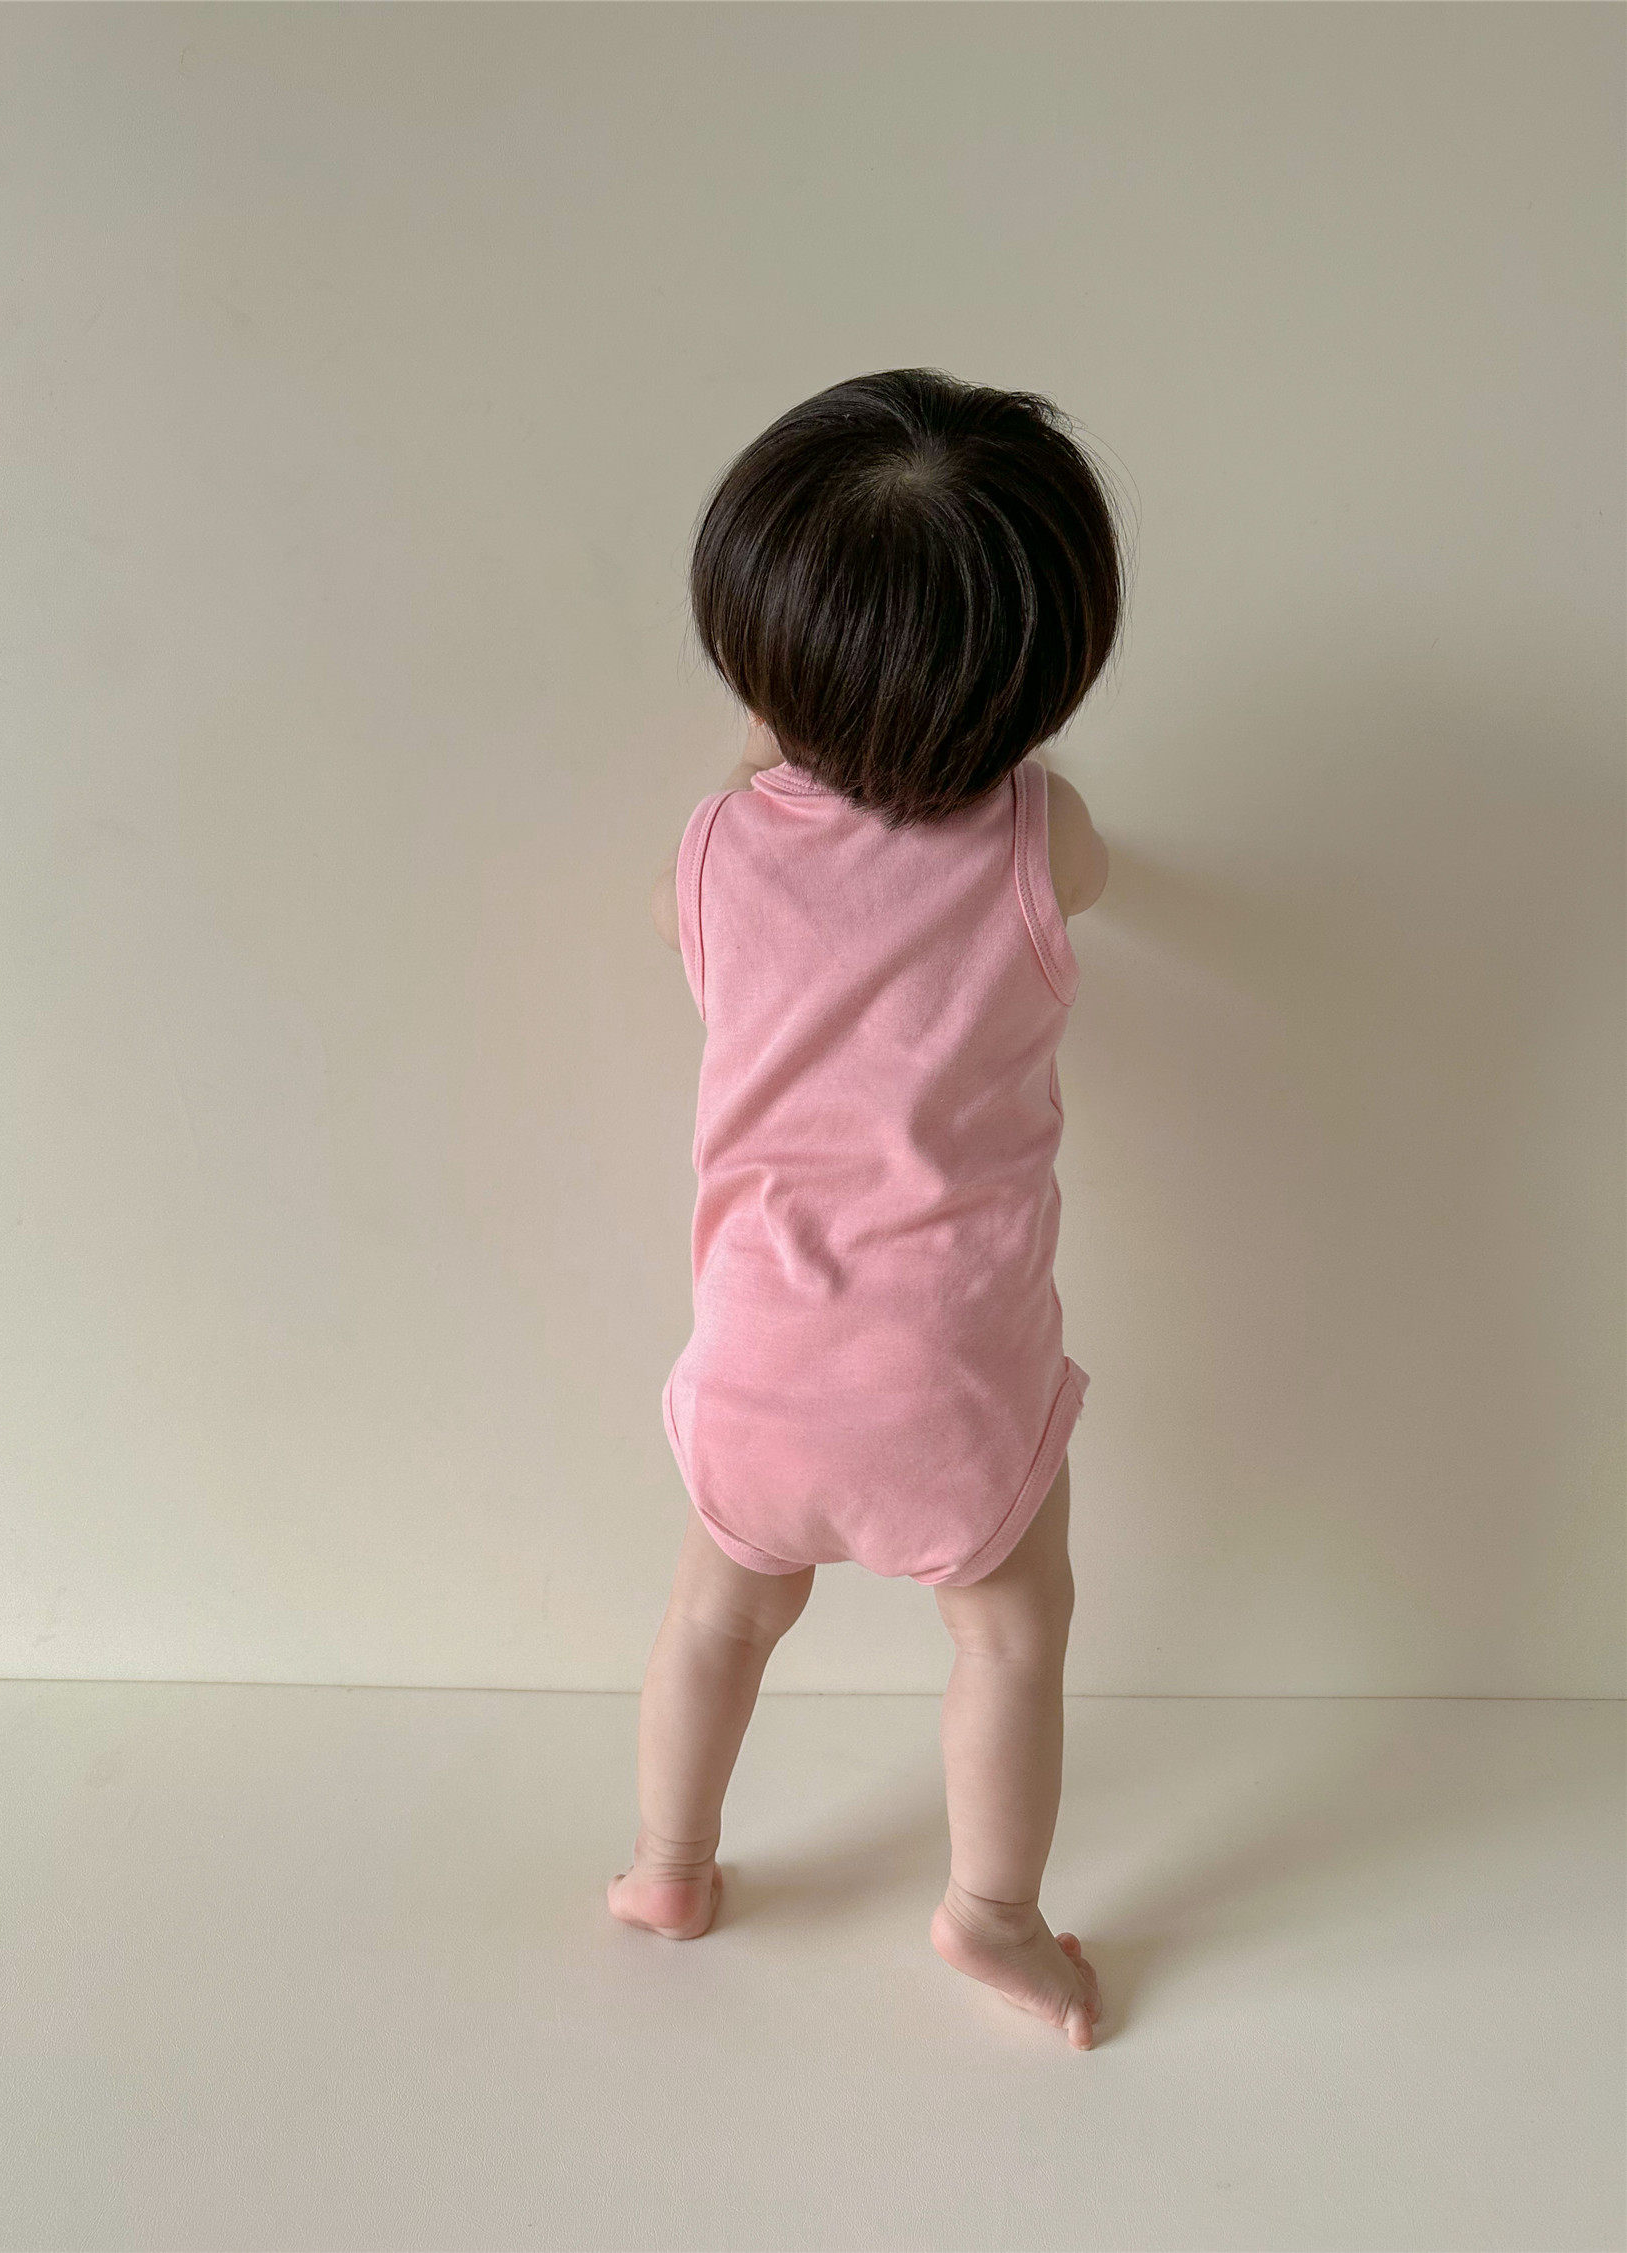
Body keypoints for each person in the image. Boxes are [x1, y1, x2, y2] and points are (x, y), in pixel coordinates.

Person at [609, 368, 1122, 2047]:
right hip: (950, 1388)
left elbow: (705, 915)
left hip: (755, 1374)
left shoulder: (710, 852)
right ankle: (993, 1916)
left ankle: (668, 1865)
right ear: (1041, 681)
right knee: (1012, 1634)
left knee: (717, 1612)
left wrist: (781, 748)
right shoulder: (1041, 837)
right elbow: (1088, 878)